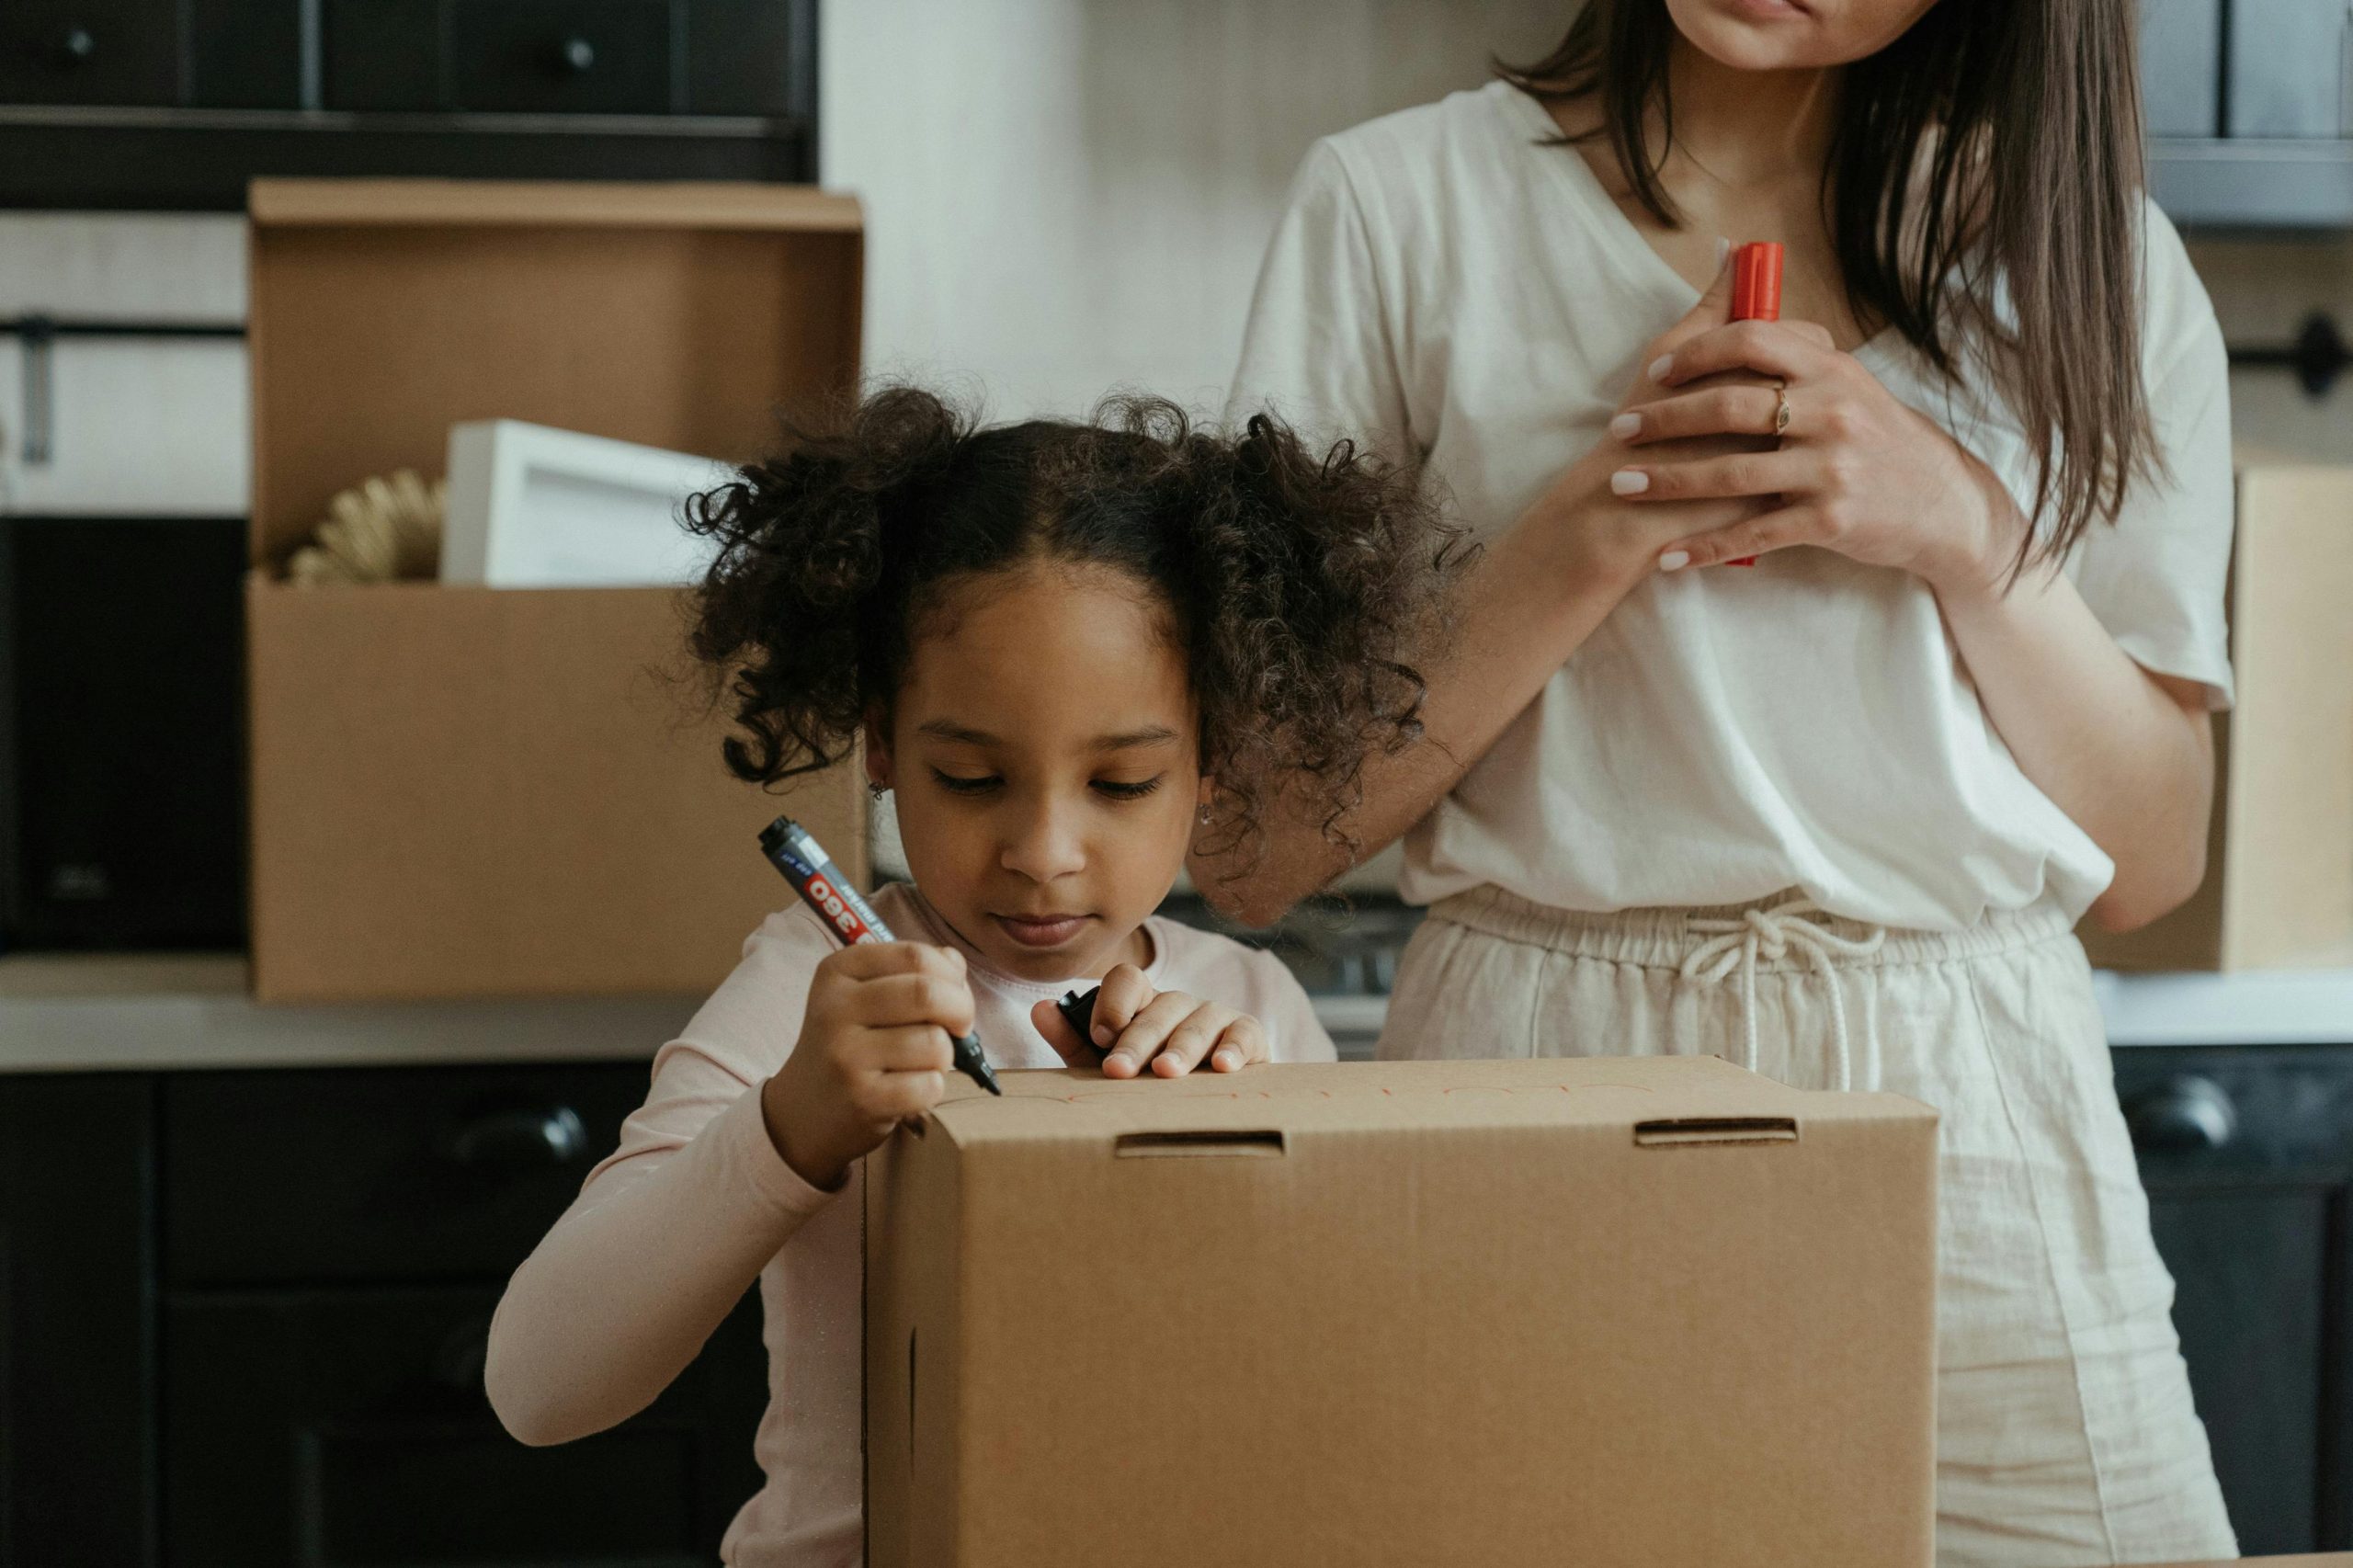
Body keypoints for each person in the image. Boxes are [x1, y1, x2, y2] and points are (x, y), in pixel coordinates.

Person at [1211, 3, 2237, 1562]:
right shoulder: (1399, 206)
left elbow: (2154, 852)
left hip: (1981, 1118)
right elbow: (1257, 840)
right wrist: (1597, 523)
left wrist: (1959, 523)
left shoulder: (2095, 260)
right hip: (1536, 1088)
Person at [483, 387, 1457, 1565]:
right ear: (884, 743)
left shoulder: (1255, 1012)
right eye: (972, 776)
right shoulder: (817, 983)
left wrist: (1226, 1137)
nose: (1043, 854)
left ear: (1212, 757)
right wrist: (790, 1125)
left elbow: (1349, 1413)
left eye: (1119, 784)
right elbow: (540, 1386)